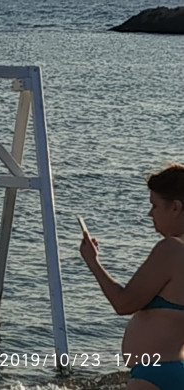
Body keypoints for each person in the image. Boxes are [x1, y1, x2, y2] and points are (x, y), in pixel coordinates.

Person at [80, 163, 184, 390]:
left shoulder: (171, 249)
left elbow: (123, 303)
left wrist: (93, 262)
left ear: (176, 207)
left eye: (155, 206)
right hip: (173, 369)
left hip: (156, 374)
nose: (150, 214)